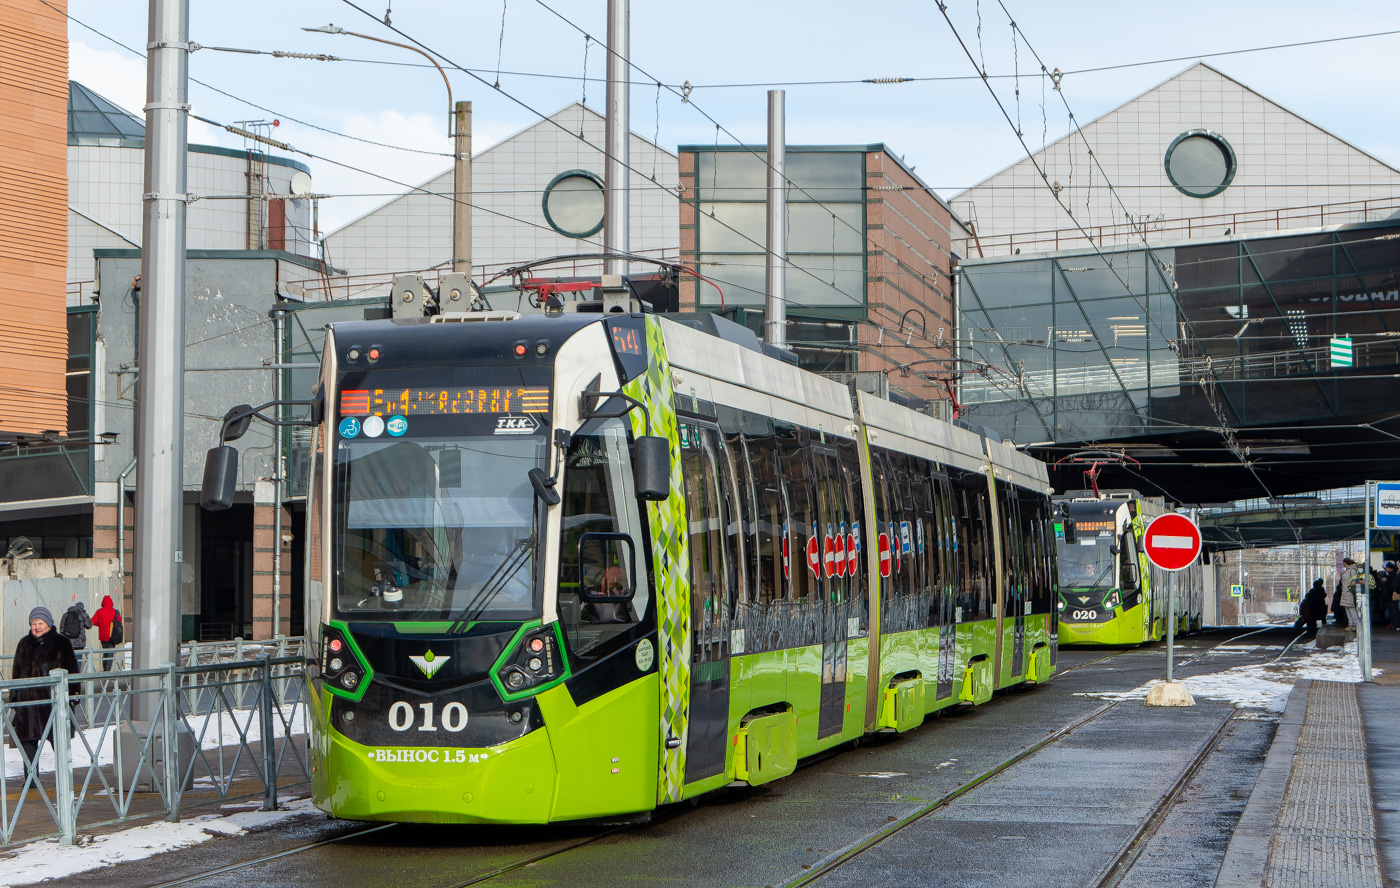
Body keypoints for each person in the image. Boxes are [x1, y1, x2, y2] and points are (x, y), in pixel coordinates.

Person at [11, 607, 80, 768]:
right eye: (34, 623)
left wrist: (73, 695)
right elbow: (16, 672)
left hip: (53, 705)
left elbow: (72, 671)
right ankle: (31, 784)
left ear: (48, 623)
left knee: (60, 747)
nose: (37, 627)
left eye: (40, 623)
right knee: (28, 750)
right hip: (28, 707)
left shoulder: (61, 643)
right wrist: (15, 700)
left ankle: (65, 785)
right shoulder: (24, 643)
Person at [91, 594, 122, 672]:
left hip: (103, 636)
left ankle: (104, 668)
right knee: (110, 653)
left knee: (104, 652)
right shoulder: (115, 611)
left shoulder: (99, 611)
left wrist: (100, 624)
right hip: (112, 635)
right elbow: (119, 623)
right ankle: (107, 670)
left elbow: (92, 621)